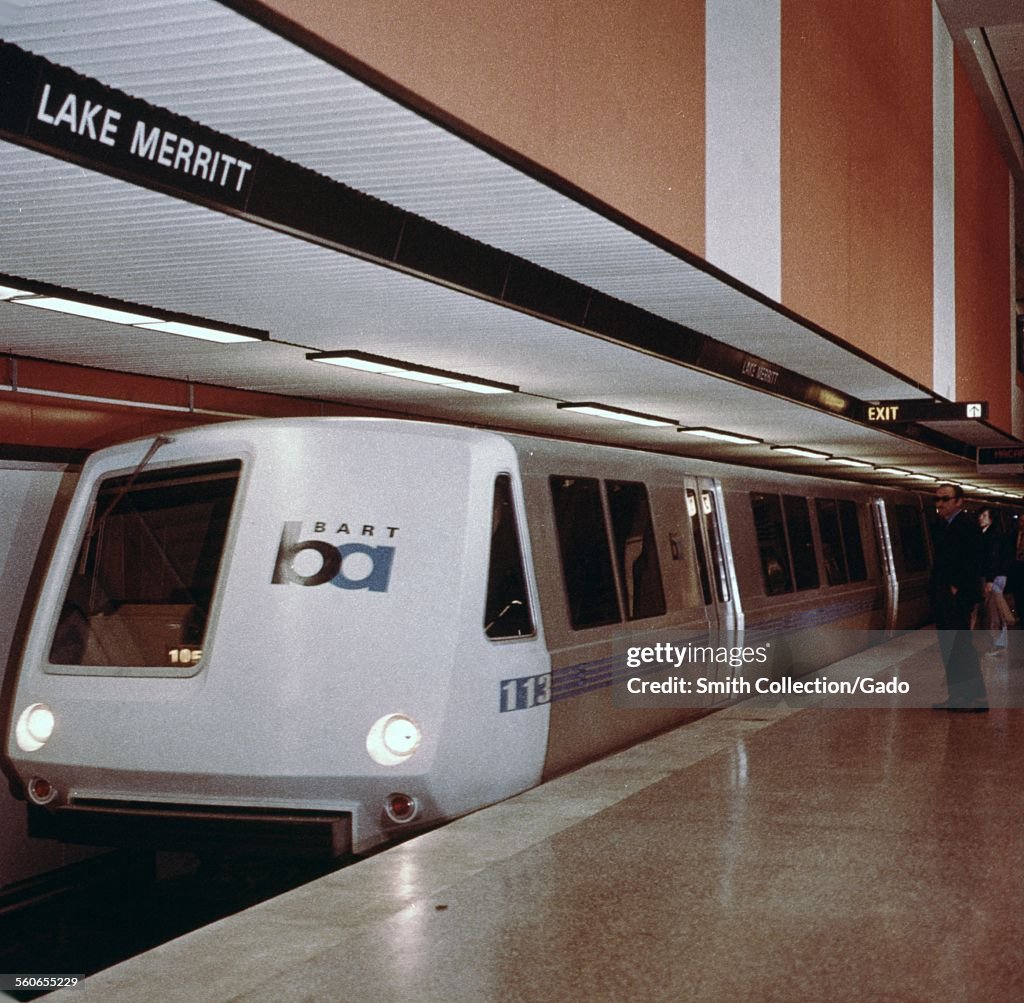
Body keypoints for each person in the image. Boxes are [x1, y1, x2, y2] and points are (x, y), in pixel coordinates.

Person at [930, 484, 987, 711]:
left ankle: (975, 698)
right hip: (948, 595)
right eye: (937, 500)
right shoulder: (948, 525)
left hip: (956, 596)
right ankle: (959, 696)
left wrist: (957, 588)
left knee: (961, 647)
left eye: (945, 499)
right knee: (953, 647)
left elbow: (972, 561)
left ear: (959, 501)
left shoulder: (965, 525)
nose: (940, 504)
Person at [978, 506, 1017, 654]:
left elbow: (992, 559)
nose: (981, 518)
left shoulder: (993, 536)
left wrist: (989, 580)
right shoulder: (988, 534)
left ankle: (998, 644)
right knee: (994, 610)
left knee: (993, 611)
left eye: (984, 515)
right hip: (995, 576)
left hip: (993, 577)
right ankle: (998, 642)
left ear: (991, 519)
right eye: (981, 515)